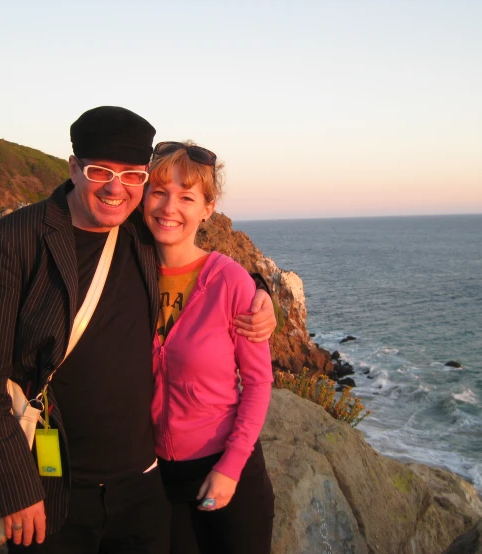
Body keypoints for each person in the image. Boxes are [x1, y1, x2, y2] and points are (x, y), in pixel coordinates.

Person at [0, 107, 276, 554]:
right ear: (73, 168)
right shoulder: (15, 239)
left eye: (131, 176)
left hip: (143, 488)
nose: (114, 187)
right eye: (99, 170)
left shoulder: (136, 234)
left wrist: (260, 292)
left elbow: (198, 260)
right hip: (54, 482)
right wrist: (14, 488)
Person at [143, 141, 275, 554]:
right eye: (159, 191)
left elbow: (257, 383)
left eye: (187, 197)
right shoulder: (127, 272)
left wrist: (231, 468)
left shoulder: (231, 281)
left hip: (222, 469)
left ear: (207, 207)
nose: (169, 208)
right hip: (155, 475)